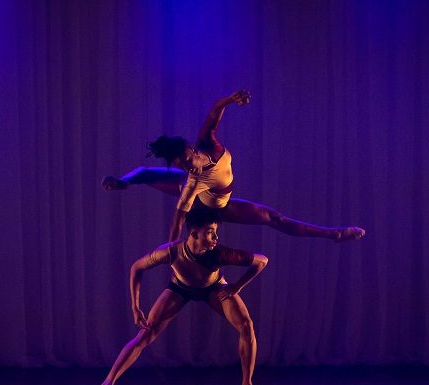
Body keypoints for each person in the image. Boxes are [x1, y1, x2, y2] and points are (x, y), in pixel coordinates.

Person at [102, 90, 366, 243]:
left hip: (220, 202)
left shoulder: (207, 143)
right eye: (181, 165)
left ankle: (335, 234)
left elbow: (215, 111)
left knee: (276, 219)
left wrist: (232, 99)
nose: (187, 167)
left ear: (193, 151)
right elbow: (177, 219)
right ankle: (122, 182)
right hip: (204, 204)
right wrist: (172, 250)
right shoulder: (192, 180)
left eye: (186, 161)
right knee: (146, 174)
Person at [101, 208, 268, 385]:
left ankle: (247, 382)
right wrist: (135, 307)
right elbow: (136, 267)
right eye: (211, 233)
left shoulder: (220, 253)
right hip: (180, 288)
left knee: (246, 325)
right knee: (145, 335)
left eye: (216, 233)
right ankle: (108, 382)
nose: (216, 238)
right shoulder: (171, 252)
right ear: (194, 234)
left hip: (214, 288)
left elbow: (262, 261)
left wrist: (237, 286)